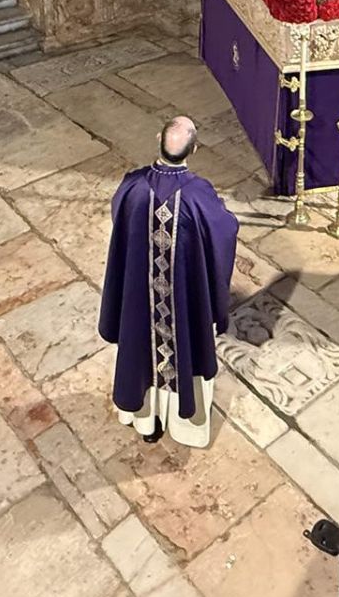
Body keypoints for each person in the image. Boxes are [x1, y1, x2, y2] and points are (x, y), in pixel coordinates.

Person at [98, 117, 240, 448]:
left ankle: (147, 422)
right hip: (184, 303)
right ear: (195, 149)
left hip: (138, 302)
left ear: (157, 139)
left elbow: (120, 222)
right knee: (184, 351)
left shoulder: (132, 187)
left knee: (139, 351)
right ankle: (184, 427)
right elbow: (225, 231)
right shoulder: (198, 195)